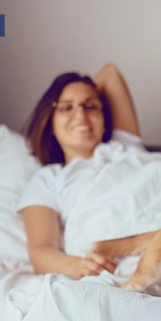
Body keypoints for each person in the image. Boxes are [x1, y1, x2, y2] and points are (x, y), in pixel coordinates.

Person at [18, 63, 141, 279]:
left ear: (104, 120)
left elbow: (110, 73)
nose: (81, 114)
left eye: (90, 106)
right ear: (50, 123)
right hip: (122, 258)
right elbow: (40, 250)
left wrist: (80, 90)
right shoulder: (49, 179)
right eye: (67, 108)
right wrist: (76, 266)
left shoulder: (125, 146)